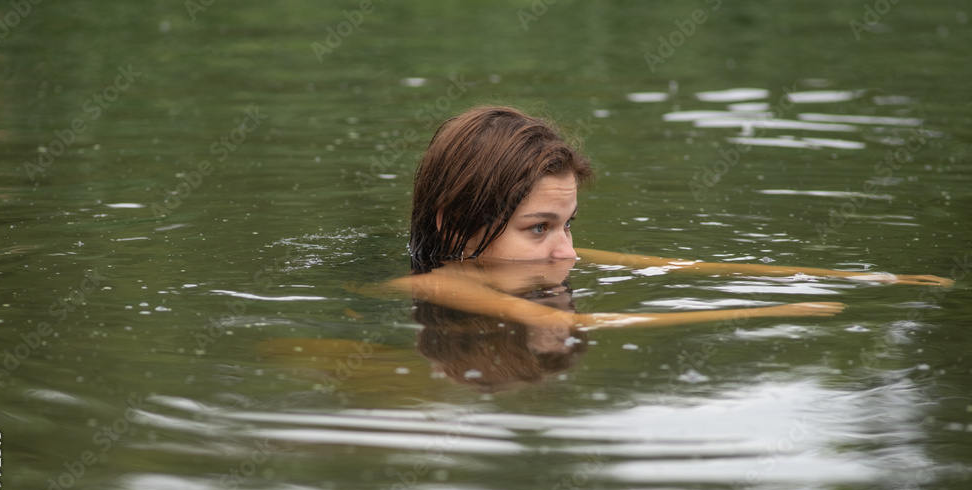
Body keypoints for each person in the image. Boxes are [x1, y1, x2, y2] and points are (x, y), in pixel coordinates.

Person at [384, 105, 952, 341]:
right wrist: (788, 310)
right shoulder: (432, 286)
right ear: (456, 222)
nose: (569, 253)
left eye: (568, 225)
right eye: (539, 228)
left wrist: (874, 281)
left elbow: (680, 267)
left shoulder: (519, 261)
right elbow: (602, 320)